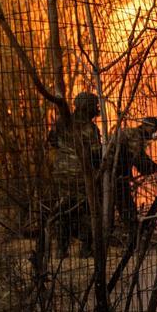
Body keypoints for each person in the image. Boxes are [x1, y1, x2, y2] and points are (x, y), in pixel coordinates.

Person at [47, 91, 103, 258]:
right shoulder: (90, 128)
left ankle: (61, 249)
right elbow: (95, 155)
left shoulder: (61, 122)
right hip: (81, 175)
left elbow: (52, 142)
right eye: (94, 106)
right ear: (88, 108)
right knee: (87, 209)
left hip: (60, 173)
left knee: (64, 209)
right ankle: (86, 248)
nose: (96, 109)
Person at [111, 116, 157, 245]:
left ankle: (132, 238)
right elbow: (140, 162)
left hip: (115, 174)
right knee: (127, 208)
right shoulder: (136, 137)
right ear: (147, 126)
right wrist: (156, 167)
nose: (154, 133)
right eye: (154, 129)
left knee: (121, 207)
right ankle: (134, 241)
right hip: (114, 176)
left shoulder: (133, 134)